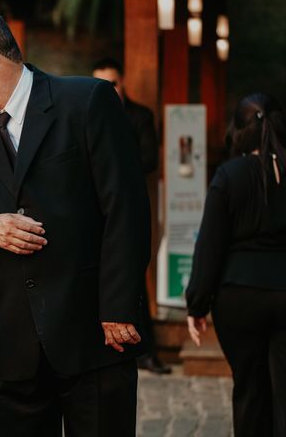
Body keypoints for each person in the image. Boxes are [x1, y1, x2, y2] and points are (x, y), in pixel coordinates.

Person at [0, 10, 151, 436]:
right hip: (14, 346)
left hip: (95, 333)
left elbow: (126, 209)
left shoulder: (88, 102)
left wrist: (119, 308)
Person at [185, 92, 286, 437]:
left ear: (240, 131)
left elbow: (210, 245)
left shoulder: (229, 175)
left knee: (249, 388)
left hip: (238, 296)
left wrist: (196, 303)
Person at [92, 58, 170, 375]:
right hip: (96, 208)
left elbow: (150, 158)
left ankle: (144, 350)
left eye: (113, 83)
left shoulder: (140, 116)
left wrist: (113, 169)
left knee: (134, 272)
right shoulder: (89, 113)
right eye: (102, 83)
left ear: (122, 83)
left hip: (134, 205)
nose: (109, 89)